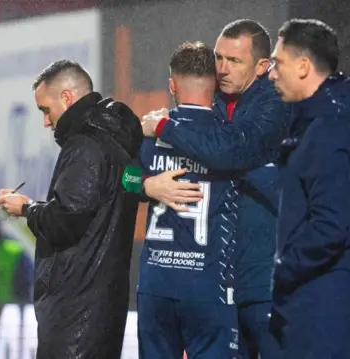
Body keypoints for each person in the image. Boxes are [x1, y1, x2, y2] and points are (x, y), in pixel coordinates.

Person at [140, 20, 289, 359]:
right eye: (218, 58)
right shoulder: (211, 108)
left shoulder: (276, 105)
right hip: (216, 286)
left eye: (234, 61)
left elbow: (230, 151)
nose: (221, 69)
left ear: (263, 67)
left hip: (264, 281)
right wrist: (147, 185)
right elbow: (121, 180)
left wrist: (165, 125)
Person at [0, 60, 143, 359]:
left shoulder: (84, 146)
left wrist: (26, 209)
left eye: (45, 111)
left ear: (66, 98)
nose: (46, 123)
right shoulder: (116, 144)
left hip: (77, 311)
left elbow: (67, 219)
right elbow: (122, 193)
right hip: (99, 308)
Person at [267, 19, 350, 358]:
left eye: (278, 63)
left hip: (327, 318)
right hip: (330, 309)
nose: (272, 73)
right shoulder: (322, 127)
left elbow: (328, 227)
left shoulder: (329, 133)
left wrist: (278, 269)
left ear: (304, 66)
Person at [137, 41, 240, 359]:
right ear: (216, 84)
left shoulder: (149, 136)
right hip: (208, 286)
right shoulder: (230, 139)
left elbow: (119, 181)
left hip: (156, 285)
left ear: (172, 84)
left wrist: (147, 184)